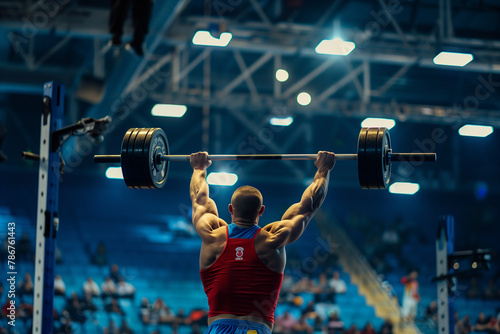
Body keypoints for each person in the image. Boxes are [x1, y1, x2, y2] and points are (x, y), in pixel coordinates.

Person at [189, 151, 336, 334]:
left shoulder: (211, 236)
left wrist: (198, 168)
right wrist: (323, 170)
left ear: (230, 209)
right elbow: (309, 206)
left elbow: (199, 200)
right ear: (262, 211)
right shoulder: (273, 240)